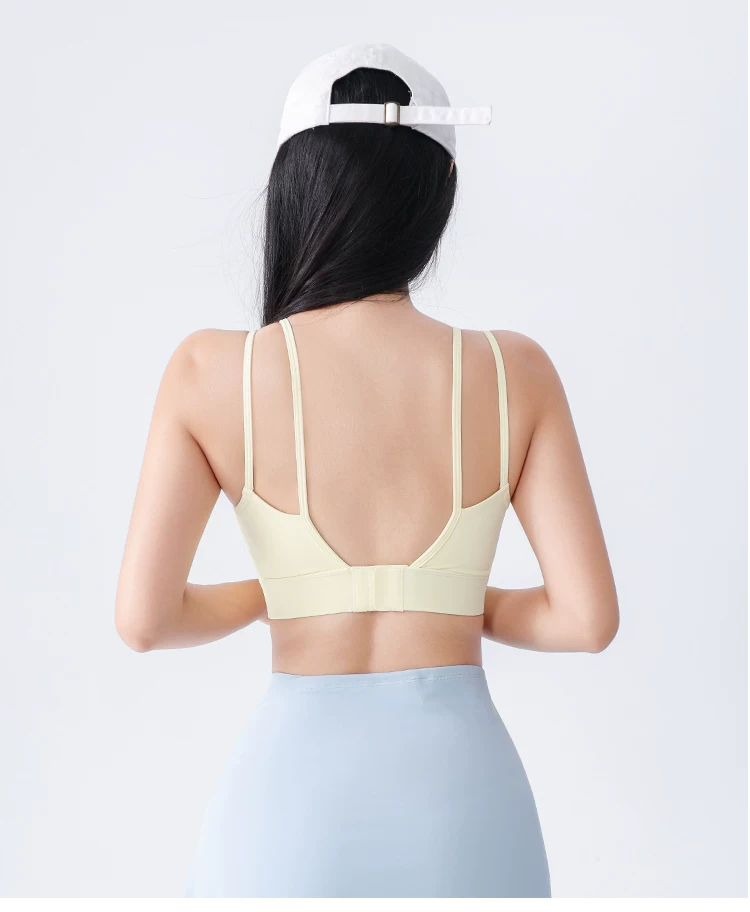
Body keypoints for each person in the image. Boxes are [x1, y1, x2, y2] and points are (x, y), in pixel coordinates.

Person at [115, 42, 619, 899]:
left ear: (295, 187)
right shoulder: (514, 372)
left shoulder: (211, 372)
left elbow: (145, 621)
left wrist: (278, 593)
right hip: (464, 806)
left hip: (288, 814)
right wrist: (458, 601)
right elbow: (586, 620)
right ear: (439, 191)